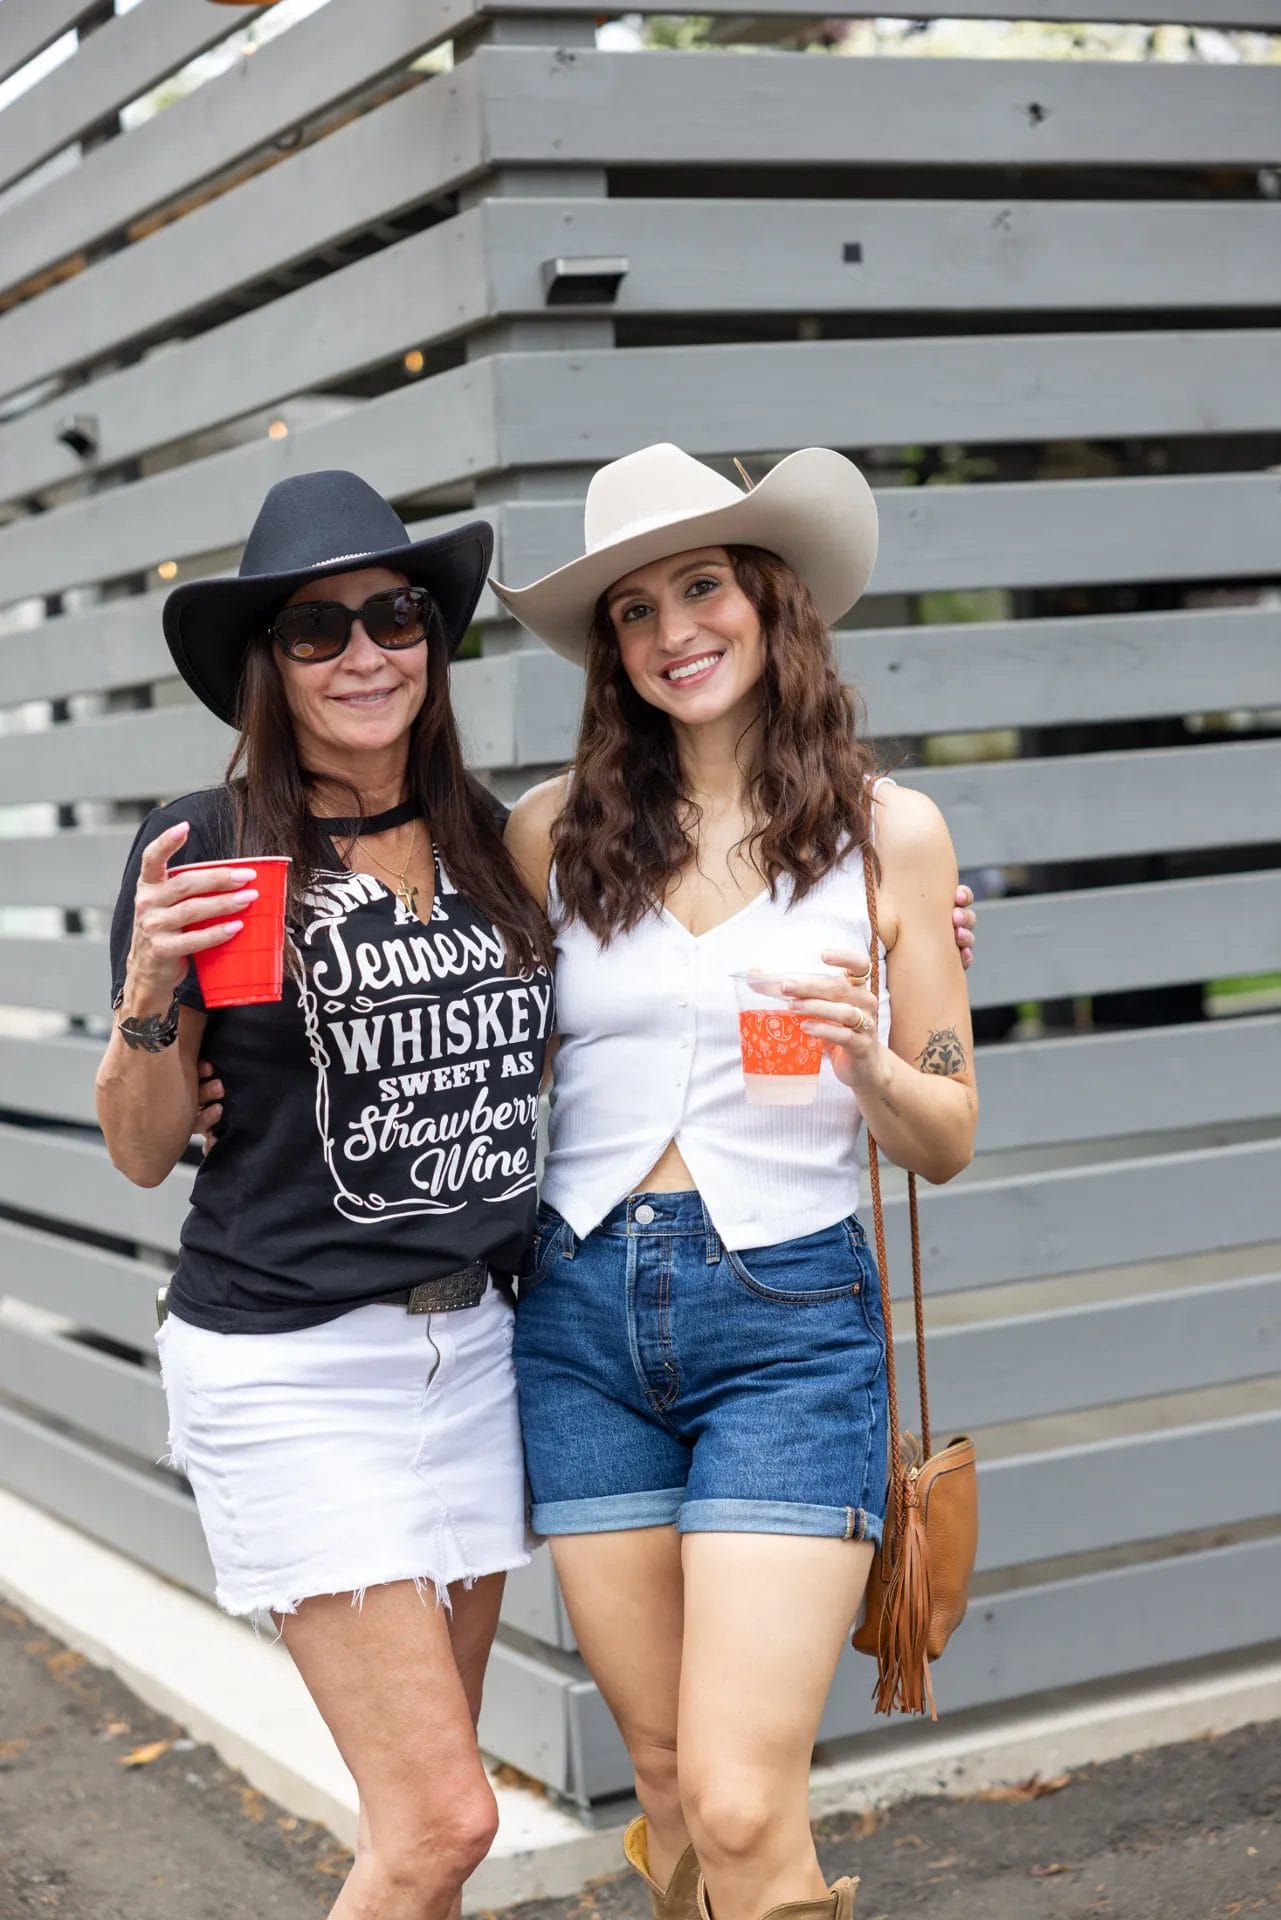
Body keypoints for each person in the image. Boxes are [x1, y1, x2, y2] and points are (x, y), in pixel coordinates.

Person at [494, 445, 979, 1920]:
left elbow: (947, 1132)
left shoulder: (887, 834)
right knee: (656, 1770)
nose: (671, 630)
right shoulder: (547, 835)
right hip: (578, 1322)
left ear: (768, 603)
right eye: (632, 610)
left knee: (739, 1792)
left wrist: (868, 1066)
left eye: (700, 586)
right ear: (608, 653)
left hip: (784, 1319)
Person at [95, 470, 554, 1920]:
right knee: (442, 1822)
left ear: (432, 638)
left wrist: (903, 917)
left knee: (426, 1829)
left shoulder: (494, 839)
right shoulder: (207, 845)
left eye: (394, 615)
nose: (364, 654)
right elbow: (141, 1146)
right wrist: (148, 995)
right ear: (267, 670)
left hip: (473, 1352)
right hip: (293, 1363)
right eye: (316, 630)